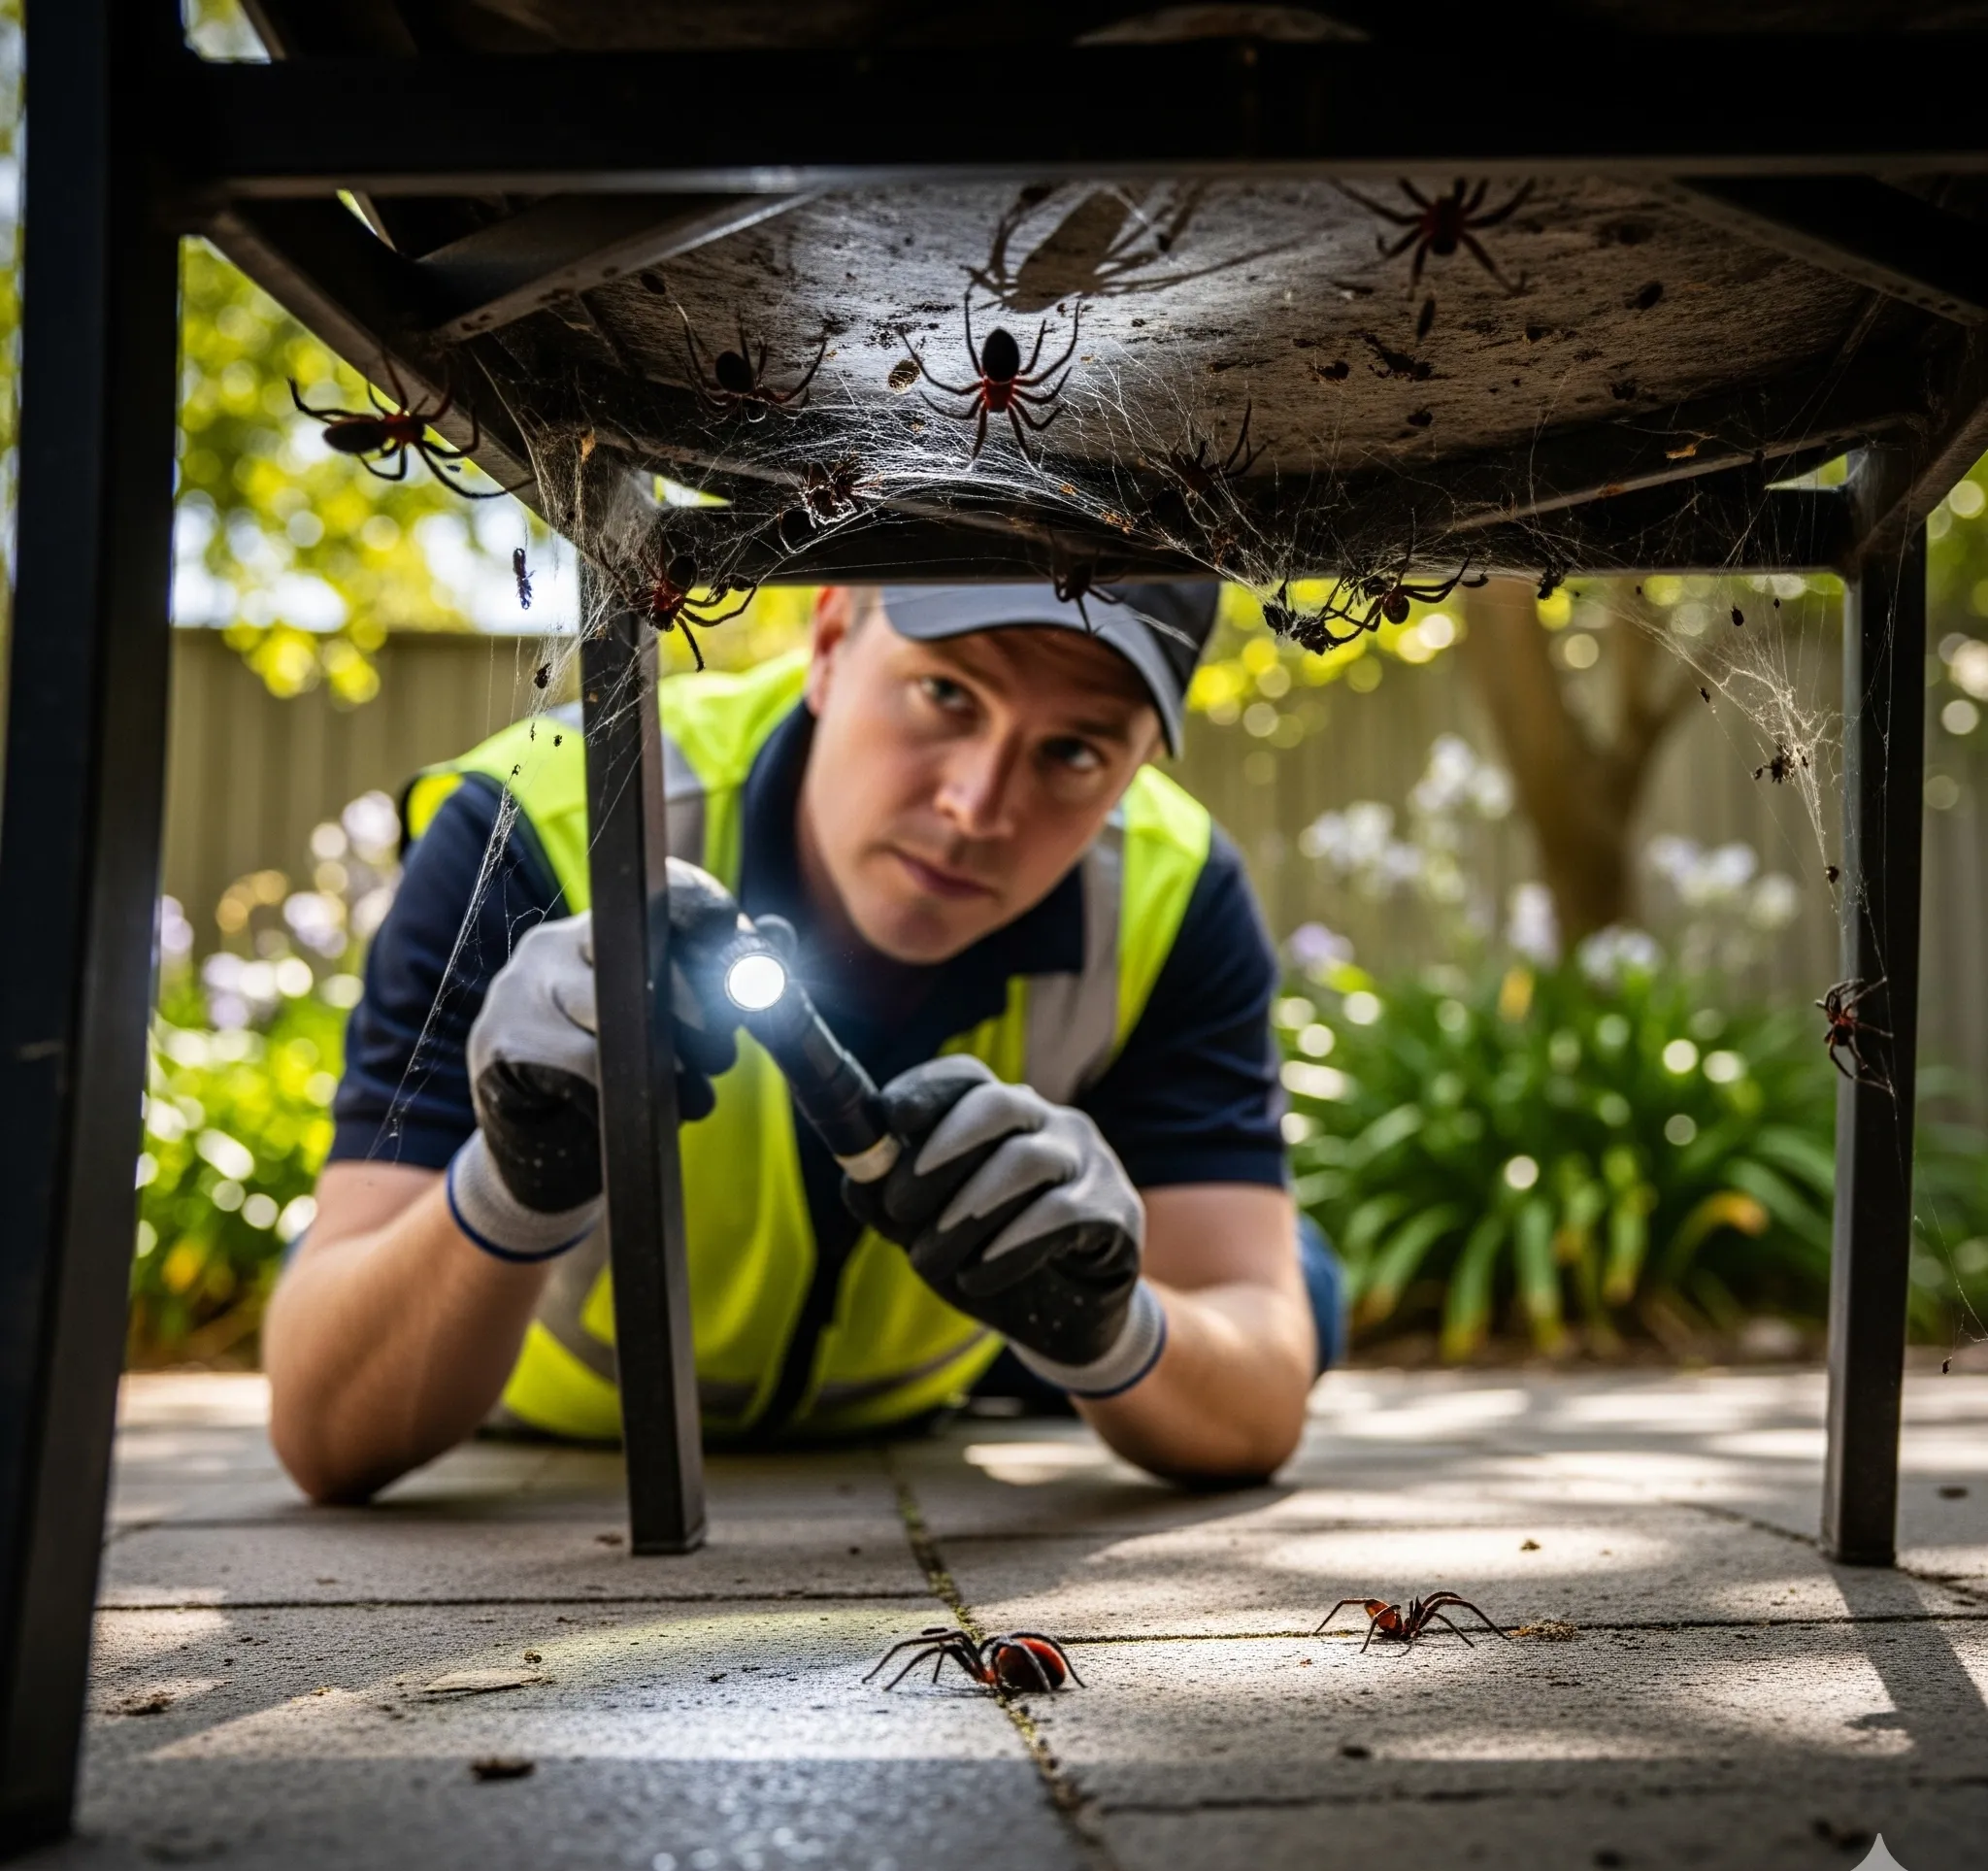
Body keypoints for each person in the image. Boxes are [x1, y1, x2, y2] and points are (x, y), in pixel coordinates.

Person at [264, 583, 1342, 1502]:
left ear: (1141, 761)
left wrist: (1111, 1329)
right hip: (539, 1394)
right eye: (945, 693)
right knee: (350, 1264)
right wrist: (512, 1184)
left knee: (1291, 1285)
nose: (975, 806)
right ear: (828, 642)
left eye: (1072, 750)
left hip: (938, 1376)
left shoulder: (1174, 888)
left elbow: (1254, 1391)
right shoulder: (539, 821)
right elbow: (325, 1425)